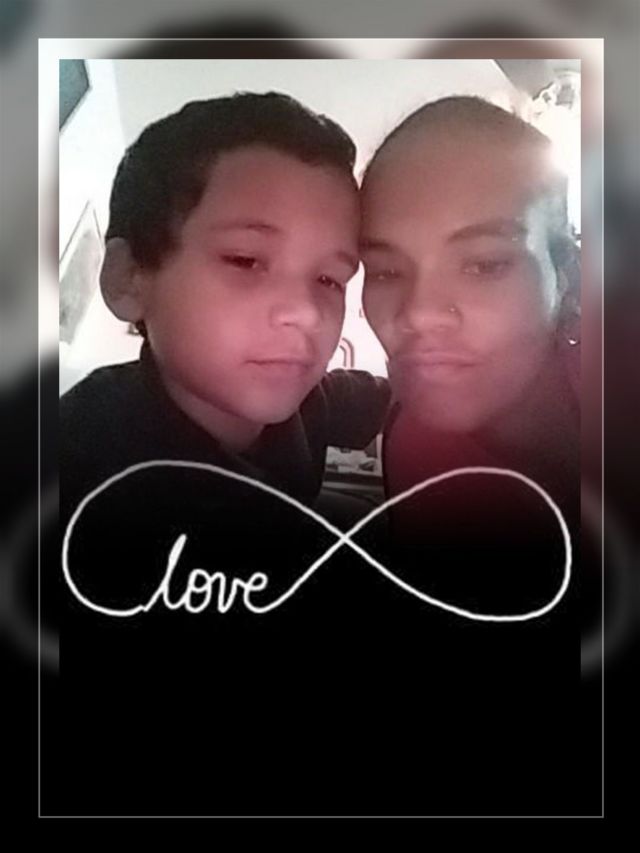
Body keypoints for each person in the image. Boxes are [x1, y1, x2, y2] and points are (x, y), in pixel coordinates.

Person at [53, 92, 391, 817]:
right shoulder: (85, 484)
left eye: (329, 279)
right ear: (128, 278)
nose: (305, 312)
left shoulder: (292, 403)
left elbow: (358, 396)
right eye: (246, 259)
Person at [357, 96, 597, 816]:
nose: (418, 314)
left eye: (486, 264)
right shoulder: (416, 452)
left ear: (567, 272)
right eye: (386, 270)